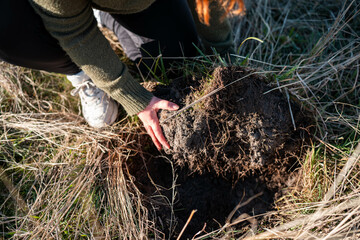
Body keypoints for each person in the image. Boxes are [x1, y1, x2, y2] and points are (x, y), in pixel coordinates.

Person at [0, 0, 244, 150]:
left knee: (175, 58)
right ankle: (79, 70)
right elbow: (76, 35)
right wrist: (132, 96)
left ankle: (101, 13)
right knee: (7, 32)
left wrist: (222, 52)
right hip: (33, 11)